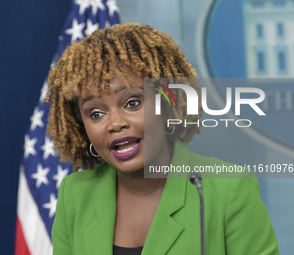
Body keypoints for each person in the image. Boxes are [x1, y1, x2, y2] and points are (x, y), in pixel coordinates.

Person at [46, 23, 279, 255]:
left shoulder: (229, 190)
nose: (115, 123)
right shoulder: (75, 194)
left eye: (132, 103)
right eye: (96, 113)